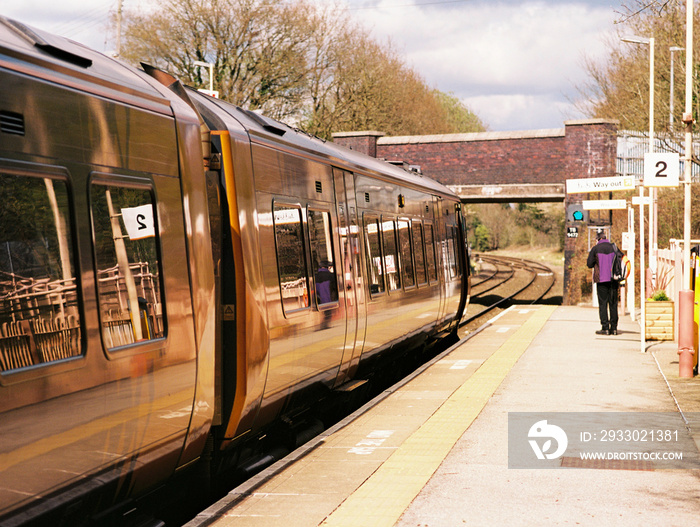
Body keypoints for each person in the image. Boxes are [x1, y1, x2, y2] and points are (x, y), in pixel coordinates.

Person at [587, 228, 622, 335]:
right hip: (614, 279)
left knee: (603, 304)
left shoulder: (595, 249)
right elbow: (621, 259)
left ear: (597, 239)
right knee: (613, 303)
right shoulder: (614, 247)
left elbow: (589, 264)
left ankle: (605, 328)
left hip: (601, 280)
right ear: (606, 238)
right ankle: (614, 328)